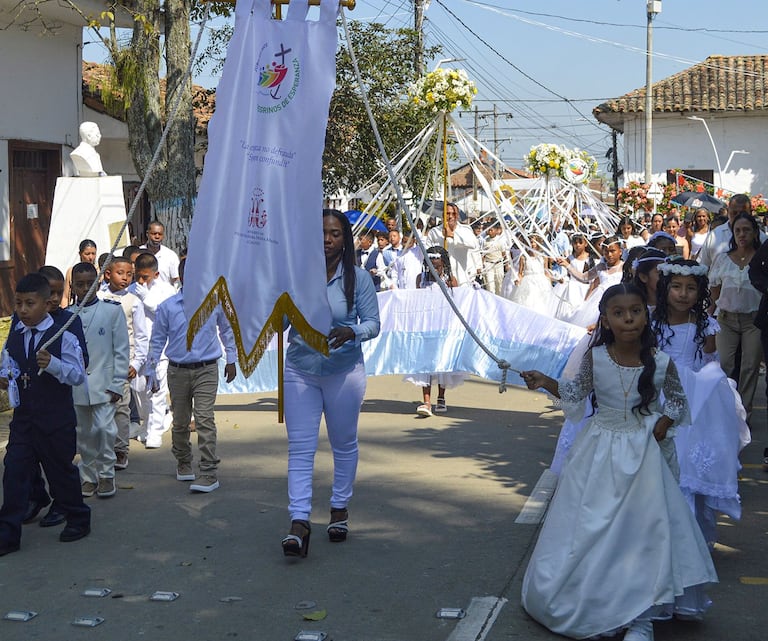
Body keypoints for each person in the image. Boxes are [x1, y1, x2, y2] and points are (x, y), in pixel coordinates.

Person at [520, 283, 717, 640]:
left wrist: (663, 423)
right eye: (619, 313)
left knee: (641, 531)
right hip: (598, 453)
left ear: (646, 314)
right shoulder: (595, 359)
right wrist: (545, 380)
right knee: (593, 528)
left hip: (643, 455)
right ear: (607, 321)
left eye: (636, 311)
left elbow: (676, 401)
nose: (628, 318)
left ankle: (640, 617)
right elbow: (575, 393)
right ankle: (597, 605)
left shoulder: (660, 361)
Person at [281, 209, 380, 558]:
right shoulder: (296, 276)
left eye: (335, 233)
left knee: (343, 443)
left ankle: (339, 509)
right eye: (322, 232)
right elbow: (279, 324)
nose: (327, 239)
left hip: (343, 371)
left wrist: (350, 331)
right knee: (301, 448)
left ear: (345, 238)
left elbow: (373, 324)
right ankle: (299, 522)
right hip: (300, 370)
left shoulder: (359, 278)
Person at [652, 259, 750, 547]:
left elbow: (708, 361)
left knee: (689, 462)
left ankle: (692, 536)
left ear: (700, 291)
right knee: (666, 461)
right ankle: (662, 533)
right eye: (677, 287)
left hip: (697, 396)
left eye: (691, 288)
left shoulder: (706, 325)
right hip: (662, 391)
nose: (683, 294)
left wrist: (712, 387)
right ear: (665, 289)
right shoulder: (654, 322)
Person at [0, 273, 91, 556]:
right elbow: (9, 361)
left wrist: (53, 364)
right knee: (13, 472)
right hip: (25, 418)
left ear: (46, 303)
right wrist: (5, 376)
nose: (23, 310)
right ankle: (7, 534)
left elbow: (77, 375)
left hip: (55, 418)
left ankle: (77, 517)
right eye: (19, 304)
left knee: (60, 472)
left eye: (30, 303)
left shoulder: (62, 332)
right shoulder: (17, 330)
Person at [148, 258, 237, 493]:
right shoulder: (167, 306)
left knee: (205, 418)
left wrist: (232, 359)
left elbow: (227, 330)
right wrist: (151, 370)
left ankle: (208, 471)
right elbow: (157, 340)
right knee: (180, 421)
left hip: (207, 368)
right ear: (181, 277)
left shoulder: (215, 302)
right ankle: (183, 461)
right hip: (178, 370)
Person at [20, 266, 90, 527]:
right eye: (48, 292)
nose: (52, 299)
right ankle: (37, 496)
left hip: (56, 404)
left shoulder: (69, 321)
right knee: (22, 459)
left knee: (58, 462)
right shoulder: (22, 321)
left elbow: (82, 362)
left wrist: (54, 363)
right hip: (29, 406)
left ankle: (63, 505)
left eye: (58, 293)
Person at [70, 262, 130, 498]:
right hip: (77, 386)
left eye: (90, 283)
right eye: (80, 284)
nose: (85, 288)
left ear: (98, 283)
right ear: (73, 286)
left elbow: (121, 351)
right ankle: (88, 476)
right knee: (84, 435)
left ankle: (106, 474)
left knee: (105, 430)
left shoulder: (111, 311)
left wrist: (117, 383)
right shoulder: (66, 316)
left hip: (105, 384)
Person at [708, 213, 763, 426]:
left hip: (753, 321)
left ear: (755, 233)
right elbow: (714, 293)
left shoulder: (761, 258)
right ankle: (725, 410)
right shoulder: (723, 258)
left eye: (746, 230)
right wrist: (708, 321)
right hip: (726, 319)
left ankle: (744, 415)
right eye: (738, 230)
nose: (742, 234)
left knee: (749, 367)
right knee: (725, 365)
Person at [98, 256, 149, 471]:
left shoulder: (134, 301)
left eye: (130, 274)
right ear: (108, 274)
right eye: (121, 273)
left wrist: (136, 364)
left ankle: (121, 449)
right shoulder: (98, 298)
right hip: (100, 362)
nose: (126, 278)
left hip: (123, 363)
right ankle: (102, 448)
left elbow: (141, 335)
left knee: (121, 408)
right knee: (101, 407)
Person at [406, 246, 464, 417]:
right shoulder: (420, 278)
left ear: (443, 263)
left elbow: (457, 302)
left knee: (441, 362)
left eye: (437, 262)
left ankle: (441, 397)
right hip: (425, 326)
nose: (433, 265)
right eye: (430, 261)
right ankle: (426, 401)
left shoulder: (450, 280)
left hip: (443, 326)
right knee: (426, 364)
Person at [129, 252, 177, 448]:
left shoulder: (166, 290)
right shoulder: (132, 290)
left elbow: (166, 314)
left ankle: (156, 430)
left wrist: (146, 297)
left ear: (155, 275)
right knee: (139, 390)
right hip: (138, 350)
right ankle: (147, 423)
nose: (141, 281)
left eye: (145, 277)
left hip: (159, 349)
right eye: (138, 276)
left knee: (157, 390)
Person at [426, 202, 480, 286]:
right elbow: (428, 253)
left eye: (453, 214)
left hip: (463, 278)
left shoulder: (465, 230)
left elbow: (473, 245)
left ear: (457, 215)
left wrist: (452, 236)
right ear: (443, 215)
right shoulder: (434, 232)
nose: (450, 216)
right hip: (442, 279)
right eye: (447, 213)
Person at [698, 194, 756, 267]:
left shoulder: (761, 238)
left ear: (751, 212)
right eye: (734, 213)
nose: (738, 217)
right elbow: (703, 266)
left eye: (743, 213)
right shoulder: (714, 235)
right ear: (728, 212)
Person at [509, 235, 556, 315]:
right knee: (529, 302)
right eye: (530, 242)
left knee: (542, 303)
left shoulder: (543, 256)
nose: (532, 244)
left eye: (534, 242)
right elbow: (520, 273)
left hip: (541, 282)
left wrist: (550, 282)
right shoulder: (523, 257)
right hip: (528, 283)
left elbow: (546, 271)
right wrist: (518, 280)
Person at [140, 220, 180, 287]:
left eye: (160, 234)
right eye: (154, 234)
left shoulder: (170, 255)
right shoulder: (139, 253)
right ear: (147, 234)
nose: (157, 237)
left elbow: (176, 279)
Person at [63, 239, 97, 306]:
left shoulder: (100, 271)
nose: (91, 257)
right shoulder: (72, 271)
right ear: (80, 254)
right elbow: (66, 297)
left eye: (93, 254)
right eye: (87, 254)